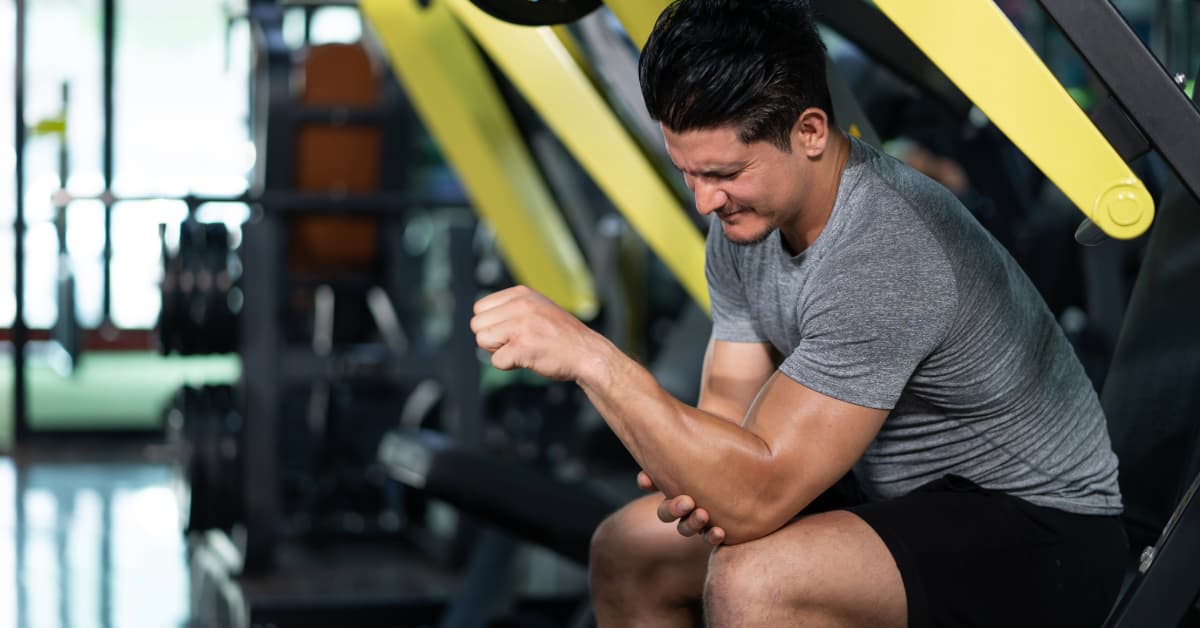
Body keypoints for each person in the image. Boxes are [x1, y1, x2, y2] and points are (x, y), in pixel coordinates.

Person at [470, 0, 1128, 625]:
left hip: (1041, 532)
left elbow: (755, 496)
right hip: (895, 499)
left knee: (757, 583)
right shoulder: (744, 226)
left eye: (725, 173)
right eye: (689, 174)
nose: (704, 201)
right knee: (630, 549)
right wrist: (684, 455)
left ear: (810, 131)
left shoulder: (887, 249)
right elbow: (725, 419)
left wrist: (592, 359)